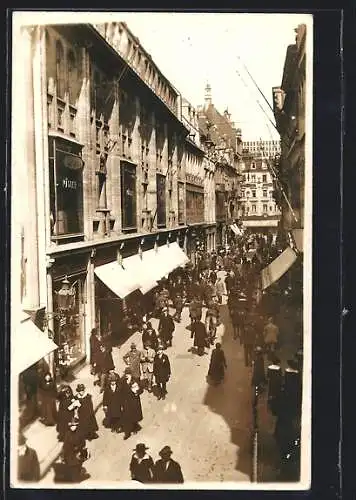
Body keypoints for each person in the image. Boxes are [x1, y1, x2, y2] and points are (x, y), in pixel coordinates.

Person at [57, 418, 89, 483]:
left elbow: (83, 443)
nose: (73, 427)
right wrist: (62, 455)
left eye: (74, 425)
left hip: (77, 454)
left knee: (77, 467)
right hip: (69, 454)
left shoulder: (80, 433)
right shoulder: (68, 434)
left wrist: (78, 447)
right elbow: (65, 445)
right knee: (71, 467)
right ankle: (74, 478)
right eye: (71, 426)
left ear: (77, 426)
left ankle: (76, 478)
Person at [121, 367, 144, 440]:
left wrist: (137, 392)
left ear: (131, 374)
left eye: (128, 374)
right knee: (126, 417)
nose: (127, 375)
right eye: (126, 374)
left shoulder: (135, 381)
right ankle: (127, 433)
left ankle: (134, 427)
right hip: (126, 402)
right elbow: (120, 391)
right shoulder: (123, 381)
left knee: (134, 416)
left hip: (134, 402)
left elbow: (141, 389)